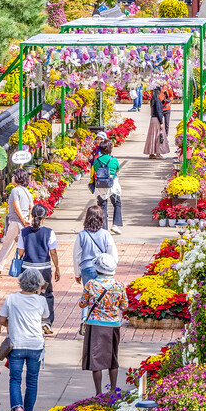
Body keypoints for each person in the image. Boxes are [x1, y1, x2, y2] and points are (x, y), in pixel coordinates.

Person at [0, 269, 49, 411]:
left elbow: (1, 320)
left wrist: (11, 323)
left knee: (15, 379)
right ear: (38, 285)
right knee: (32, 381)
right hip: (35, 345)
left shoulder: (11, 298)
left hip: (16, 345)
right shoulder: (41, 301)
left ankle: (18, 409)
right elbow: (45, 317)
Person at [78, 253, 128, 394]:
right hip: (113, 325)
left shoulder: (91, 285)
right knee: (113, 357)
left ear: (97, 269)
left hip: (95, 325)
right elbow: (124, 306)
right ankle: (113, 390)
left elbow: (82, 304)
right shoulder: (119, 285)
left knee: (96, 360)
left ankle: (98, 392)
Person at [15, 204, 61, 331]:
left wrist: (17, 241)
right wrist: (57, 267)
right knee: (46, 294)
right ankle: (46, 321)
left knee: (28, 294)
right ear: (44, 217)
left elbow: (20, 253)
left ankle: (28, 321)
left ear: (32, 215)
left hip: (27, 270)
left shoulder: (24, 232)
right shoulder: (49, 232)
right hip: (43, 271)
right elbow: (53, 252)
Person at [0, 168, 33, 275]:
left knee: (8, 244)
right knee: (23, 243)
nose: (12, 177)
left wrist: (22, 219)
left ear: (17, 178)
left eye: (14, 175)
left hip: (17, 221)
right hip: (25, 221)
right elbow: (32, 206)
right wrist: (29, 219)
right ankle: (31, 266)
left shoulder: (15, 190)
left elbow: (16, 206)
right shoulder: (27, 191)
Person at [90, 141, 123, 234]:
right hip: (112, 185)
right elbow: (117, 169)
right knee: (117, 204)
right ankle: (115, 225)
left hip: (100, 186)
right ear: (110, 149)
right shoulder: (113, 160)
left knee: (102, 206)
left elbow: (95, 169)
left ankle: (104, 228)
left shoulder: (97, 160)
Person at [143, 85, 169, 159]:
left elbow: (163, 101)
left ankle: (151, 153)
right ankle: (158, 153)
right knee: (159, 136)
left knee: (152, 136)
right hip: (157, 120)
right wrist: (161, 122)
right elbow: (159, 112)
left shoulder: (153, 100)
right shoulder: (157, 101)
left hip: (153, 120)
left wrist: (165, 97)